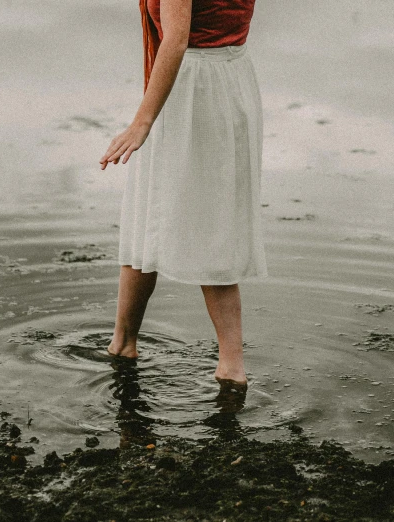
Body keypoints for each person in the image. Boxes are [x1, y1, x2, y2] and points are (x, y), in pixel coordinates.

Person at [99, 0, 266, 389]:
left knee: (199, 225)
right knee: (163, 217)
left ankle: (229, 367)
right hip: (229, 79)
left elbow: (175, 39)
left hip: (191, 89)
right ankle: (125, 342)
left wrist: (142, 122)